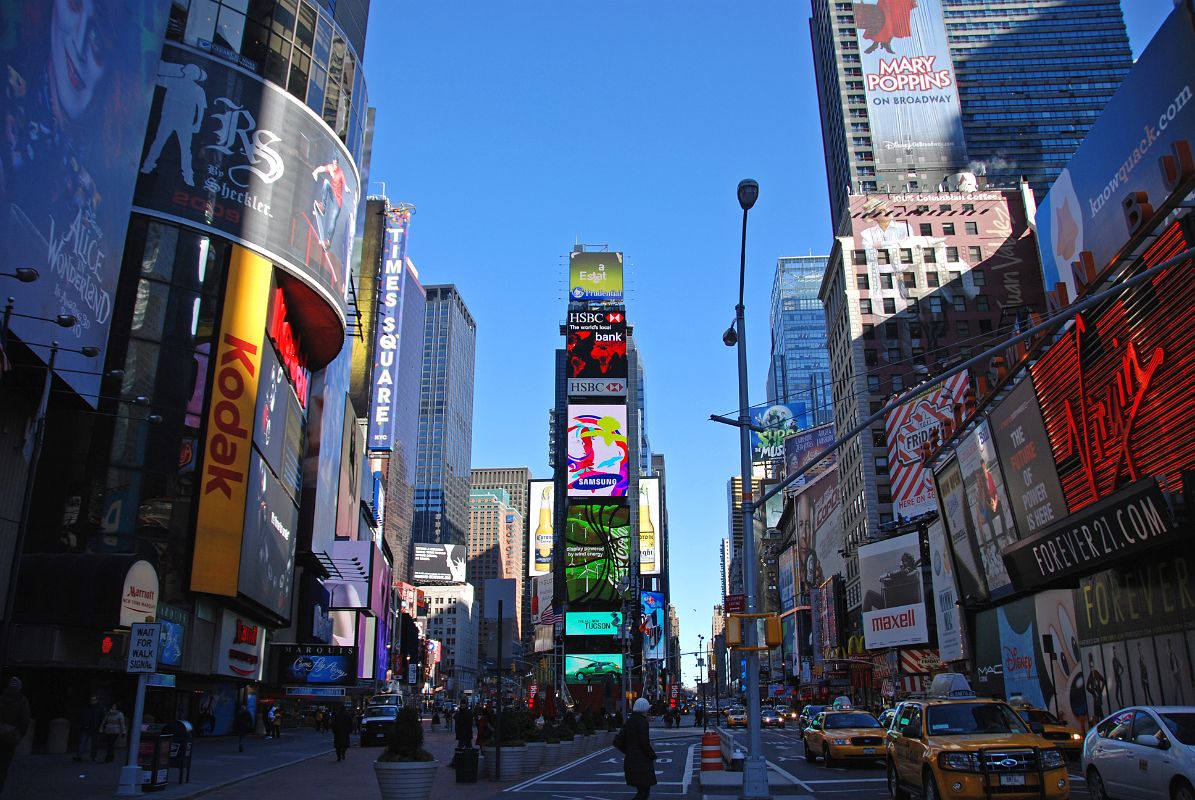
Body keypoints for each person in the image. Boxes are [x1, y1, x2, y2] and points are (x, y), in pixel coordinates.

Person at [615, 697, 657, 800]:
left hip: (631, 761)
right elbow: (644, 743)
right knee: (644, 792)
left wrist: (629, 751)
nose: (648, 712)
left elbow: (618, 741)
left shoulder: (629, 721)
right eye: (648, 709)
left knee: (641, 791)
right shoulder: (642, 722)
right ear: (644, 709)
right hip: (642, 762)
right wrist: (652, 755)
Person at [311, 155, 350, 251]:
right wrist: (315, 172)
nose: (335, 166)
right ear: (333, 162)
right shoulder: (330, 167)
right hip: (333, 194)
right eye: (334, 163)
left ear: (338, 164)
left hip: (338, 201)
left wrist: (346, 188)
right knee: (326, 182)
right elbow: (321, 168)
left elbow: (344, 183)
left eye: (336, 164)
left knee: (333, 219)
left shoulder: (340, 172)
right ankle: (323, 207)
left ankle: (328, 241)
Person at [0, 677, 31, 795]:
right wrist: (18, 734)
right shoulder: (22, 700)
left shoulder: (2, 698)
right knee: (3, 765)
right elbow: (25, 721)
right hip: (10, 736)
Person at [74, 695, 104, 762]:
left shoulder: (100, 708)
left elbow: (102, 718)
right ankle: (79, 756)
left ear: (97, 700)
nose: (92, 701)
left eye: (94, 700)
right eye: (91, 700)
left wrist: (100, 727)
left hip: (95, 728)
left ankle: (93, 757)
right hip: (87, 727)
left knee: (94, 743)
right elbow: (83, 716)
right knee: (83, 742)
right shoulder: (88, 707)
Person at [1086, 653, 1107, 720]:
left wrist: (1101, 689)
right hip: (1095, 696)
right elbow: (1087, 686)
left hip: (1098, 695)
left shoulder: (1096, 673)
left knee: (1098, 711)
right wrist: (1092, 691)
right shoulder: (1090, 675)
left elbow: (1103, 680)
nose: (1092, 668)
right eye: (1090, 667)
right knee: (1097, 712)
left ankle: (1102, 722)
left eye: (1092, 666)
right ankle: (1101, 723)